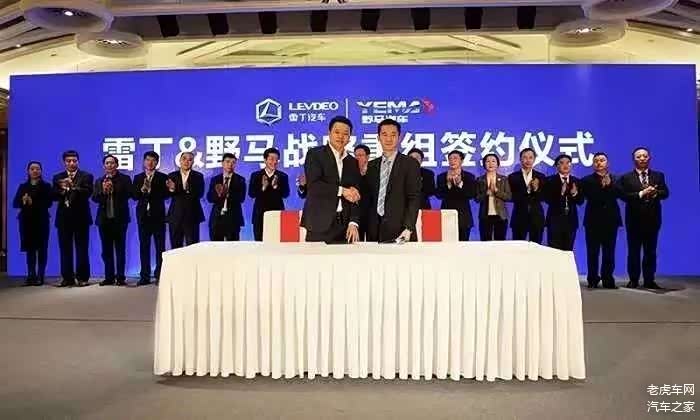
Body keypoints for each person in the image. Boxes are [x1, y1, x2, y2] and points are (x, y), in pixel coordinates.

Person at [301, 116, 361, 243]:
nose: (341, 136)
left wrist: (353, 222)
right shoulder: (315, 154)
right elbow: (314, 186)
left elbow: (355, 194)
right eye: (337, 132)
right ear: (329, 133)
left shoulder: (352, 162)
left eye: (345, 133)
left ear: (350, 137)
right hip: (319, 223)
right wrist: (342, 191)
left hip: (344, 227)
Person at [617, 147, 669, 289]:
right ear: (634, 159)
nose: (642, 158)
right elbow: (623, 196)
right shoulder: (626, 177)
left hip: (653, 220)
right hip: (634, 220)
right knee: (633, 251)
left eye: (644, 156)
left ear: (649, 158)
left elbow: (665, 193)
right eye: (639, 156)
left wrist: (655, 192)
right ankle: (633, 279)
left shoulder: (658, 176)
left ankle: (649, 280)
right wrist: (641, 193)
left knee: (650, 252)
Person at [365, 119, 421, 243]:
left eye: (393, 135)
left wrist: (408, 228)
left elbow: (414, 198)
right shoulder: (372, 166)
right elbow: (368, 199)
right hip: (374, 231)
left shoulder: (410, 164)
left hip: (401, 231)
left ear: (399, 137)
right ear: (378, 138)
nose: (389, 139)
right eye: (384, 134)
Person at [52, 150, 93, 287]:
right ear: (64, 162)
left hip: (81, 218)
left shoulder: (86, 176)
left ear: (78, 161)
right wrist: (63, 189)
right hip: (64, 218)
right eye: (68, 161)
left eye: (74, 161)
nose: (71, 163)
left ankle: (82, 277)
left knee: (82, 249)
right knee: (65, 249)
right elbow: (54, 196)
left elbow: (87, 192)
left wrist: (72, 187)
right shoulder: (58, 177)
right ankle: (67, 278)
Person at [581, 152, 622, 289]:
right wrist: (602, 187)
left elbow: (621, 195)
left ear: (607, 163)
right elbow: (586, 198)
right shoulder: (586, 180)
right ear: (593, 164)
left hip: (611, 220)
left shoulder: (616, 179)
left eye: (602, 160)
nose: (599, 162)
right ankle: (592, 279)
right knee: (592, 252)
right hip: (592, 221)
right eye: (596, 160)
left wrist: (610, 186)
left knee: (609, 251)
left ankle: (608, 279)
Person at [92, 155, 133, 286]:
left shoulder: (125, 179)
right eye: (107, 163)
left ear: (117, 165)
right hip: (104, 220)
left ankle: (120, 277)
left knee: (120, 249)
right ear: (104, 166)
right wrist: (104, 191)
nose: (109, 165)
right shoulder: (99, 181)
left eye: (112, 163)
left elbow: (129, 194)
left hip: (120, 219)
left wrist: (114, 189)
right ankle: (109, 277)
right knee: (106, 250)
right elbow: (95, 198)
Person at [12, 161, 52, 286]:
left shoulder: (46, 186)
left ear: (41, 171)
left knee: (42, 249)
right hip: (26, 221)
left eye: (37, 169)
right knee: (30, 249)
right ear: (28, 171)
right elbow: (15, 203)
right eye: (32, 169)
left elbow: (49, 203)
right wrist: (23, 201)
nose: (35, 171)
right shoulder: (23, 186)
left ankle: (40, 276)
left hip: (41, 221)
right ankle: (31, 275)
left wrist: (32, 202)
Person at [132, 151, 169, 286]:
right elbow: (134, 196)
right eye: (148, 160)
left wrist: (155, 190)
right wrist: (142, 189)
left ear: (157, 163)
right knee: (144, 246)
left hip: (158, 216)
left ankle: (160, 275)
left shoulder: (163, 177)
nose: (150, 163)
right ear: (144, 161)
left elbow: (166, 195)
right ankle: (144, 276)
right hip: (143, 216)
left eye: (153, 160)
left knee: (160, 247)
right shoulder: (138, 177)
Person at [543, 154, 584, 251]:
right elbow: (547, 199)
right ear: (556, 166)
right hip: (554, 222)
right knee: (554, 252)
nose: (565, 165)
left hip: (571, 222)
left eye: (568, 163)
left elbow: (580, 201)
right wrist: (561, 193)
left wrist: (574, 194)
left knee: (568, 252)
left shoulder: (576, 181)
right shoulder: (549, 180)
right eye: (561, 163)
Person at [249, 147, 290, 241]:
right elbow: (251, 194)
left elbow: (286, 194)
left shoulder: (283, 176)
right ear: (265, 160)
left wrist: (276, 187)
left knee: (276, 242)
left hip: (277, 214)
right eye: (271, 159)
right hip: (259, 215)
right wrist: (263, 188)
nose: (274, 162)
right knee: (259, 242)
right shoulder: (256, 175)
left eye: (276, 159)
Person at [435, 150, 477, 241]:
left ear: (461, 161)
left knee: (463, 245)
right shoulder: (441, 177)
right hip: (446, 216)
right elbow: (438, 195)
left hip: (464, 217)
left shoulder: (469, 176)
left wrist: (460, 184)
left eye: (455, 158)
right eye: (450, 159)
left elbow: (471, 194)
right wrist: (448, 185)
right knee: (447, 244)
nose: (452, 161)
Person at [166, 152, 205, 248]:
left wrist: (188, 189)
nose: (186, 162)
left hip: (192, 216)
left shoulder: (198, 176)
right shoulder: (172, 175)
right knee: (175, 248)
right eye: (184, 159)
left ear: (193, 162)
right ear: (179, 161)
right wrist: (172, 189)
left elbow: (200, 193)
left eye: (190, 160)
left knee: (193, 248)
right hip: (175, 216)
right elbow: (167, 195)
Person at [508, 148, 546, 243]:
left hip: (537, 218)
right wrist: (527, 190)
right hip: (519, 217)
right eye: (525, 157)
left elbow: (544, 197)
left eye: (530, 157)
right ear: (520, 159)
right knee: (518, 248)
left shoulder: (541, 177)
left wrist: (536, 189)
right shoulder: (512, 177)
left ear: (534, 159)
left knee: (536, 247)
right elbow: (511, 197)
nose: (528, 160)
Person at [207, 153, 247, 241]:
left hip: (233, 219)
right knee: (215, 247)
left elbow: (241, 198)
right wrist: (219, 194)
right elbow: (209, 198)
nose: (230, 165)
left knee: (233, 247)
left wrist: (227, 193)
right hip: (217, 219)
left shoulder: (240, 179)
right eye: (228, 162)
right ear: (222, 163)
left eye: (233, 162)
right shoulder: (215, 179)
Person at [475, 153, 512, 241]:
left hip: (501, 216)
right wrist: (486, 193)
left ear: (497, 164)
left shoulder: (504, 179)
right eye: (488, 161)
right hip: (485, 216)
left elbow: (508, 197)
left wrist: (496, 191)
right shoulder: (479, 180)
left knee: (500, 242)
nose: (490, 163)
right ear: (484, 164)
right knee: (485, 241)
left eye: (493, 161)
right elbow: (477, 199)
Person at [354, 144, 371, 241]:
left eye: (360, 155)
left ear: (367, 157)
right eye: (356, 155)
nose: (357, 158)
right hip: (356, 214)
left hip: (371, 214)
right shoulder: (351, 173)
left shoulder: (374, 172)